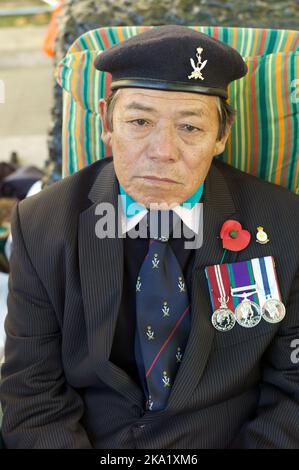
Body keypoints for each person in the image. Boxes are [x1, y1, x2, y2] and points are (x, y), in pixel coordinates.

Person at [0, 25, 299, 449]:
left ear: (222, 136)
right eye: (139, 121)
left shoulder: (287, 223)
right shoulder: (41, 224)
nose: (162, 151)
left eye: (190, 128)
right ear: (107, 122)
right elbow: (31, 390)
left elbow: (294, 386)